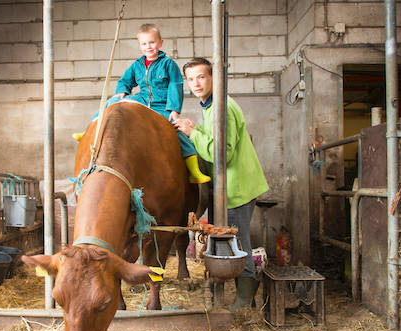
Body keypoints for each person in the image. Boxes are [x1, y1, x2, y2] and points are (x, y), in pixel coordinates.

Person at [173, 57, 269, 309]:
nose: (196, 83)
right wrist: (196, 129)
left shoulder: (221, 108)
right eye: (191, 79)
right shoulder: (211, 106)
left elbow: (221, 154)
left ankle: (245, 300)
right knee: (232, 240)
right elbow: (218, 141)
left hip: (236, 187)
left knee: (237, 242)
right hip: (233, 185)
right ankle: (242, 294)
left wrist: (192, 133)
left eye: (201, 77)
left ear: (213, 78)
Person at [82, 24, 210, 184]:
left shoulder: (168, 64)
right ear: (140, 46)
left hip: (161, 105)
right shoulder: (137, 65)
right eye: (144, 43)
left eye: (152, 42)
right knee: (112, 101)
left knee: (177, 130)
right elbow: (125, 80)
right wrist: (122, 90)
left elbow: (175, 86)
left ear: (160, 43)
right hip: (142, 101)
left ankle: (194, 170)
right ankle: (90, 130)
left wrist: (174, 110)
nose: (148, 47)